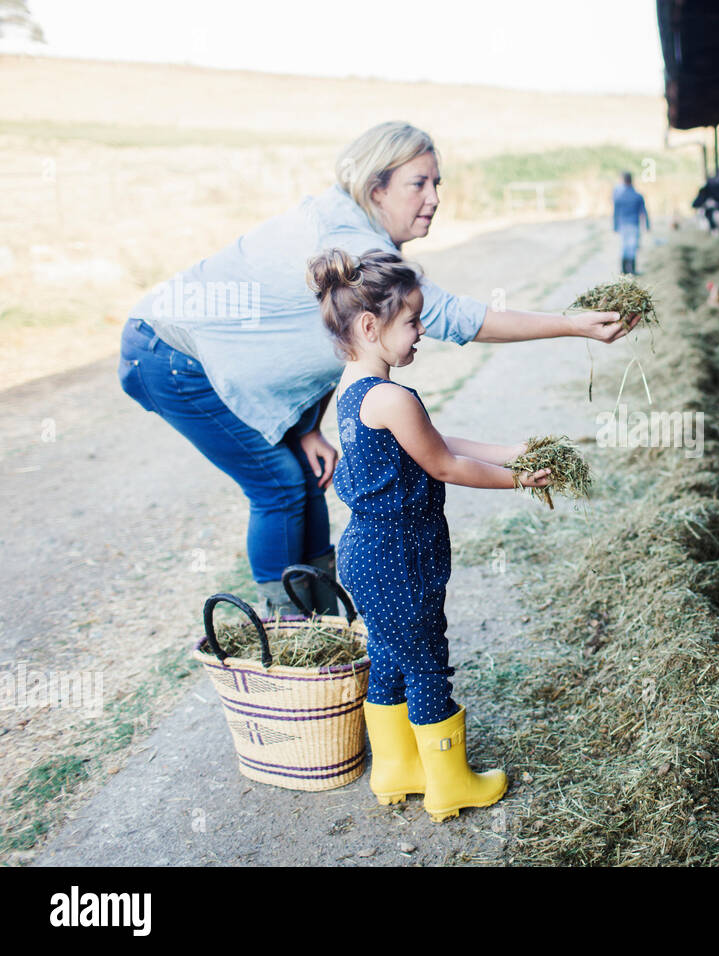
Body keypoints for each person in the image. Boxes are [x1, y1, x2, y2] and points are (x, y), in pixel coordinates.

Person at [117, 122, 634, 619]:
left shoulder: (353, 228)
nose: (433, 197)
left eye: (437, 183)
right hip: (169, 355)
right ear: (376, 188)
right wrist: (575, 325)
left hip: (202, 355)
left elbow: (329, 340)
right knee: (278, 485)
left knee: (305, 477)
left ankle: (321, 623)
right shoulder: (350, 239)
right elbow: (449, 316)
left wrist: (305, 428)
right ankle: (291, 636)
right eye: (418, 184)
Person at [309, 246, 550, 820]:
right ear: (370, 326)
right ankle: (450, 783)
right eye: (413, 321)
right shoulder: (392, 397)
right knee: (425, 660)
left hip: (366, 552)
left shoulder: (354, 388)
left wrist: (511, 451)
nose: (422, 333)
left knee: (390, 654)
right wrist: (520, 480)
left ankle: (397, 769)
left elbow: (435, 443)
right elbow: (443, 465)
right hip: (400, 554)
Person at [612, 171, 650, 274]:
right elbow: (644, 212)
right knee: (632, 246)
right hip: (634, 224)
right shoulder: (637, 195)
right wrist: (647, 225)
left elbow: (616, 212)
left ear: (623, 181)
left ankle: (624, 270)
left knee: (624, 246)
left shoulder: (619, 196)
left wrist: (615, 226)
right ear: (631, 181)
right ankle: (632, 270)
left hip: (623, 224)